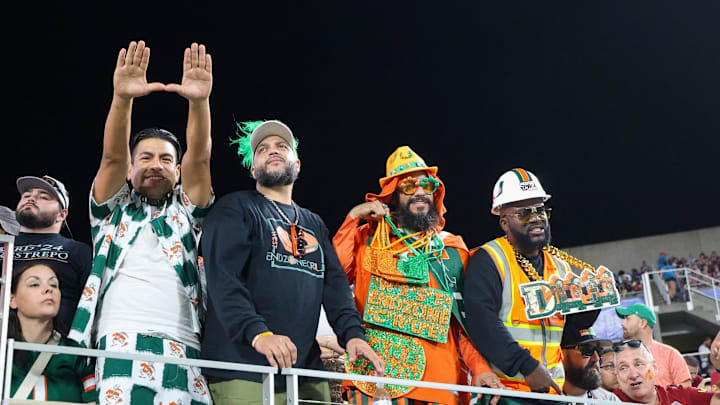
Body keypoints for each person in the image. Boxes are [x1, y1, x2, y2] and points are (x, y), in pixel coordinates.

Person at [69, 40, 214, 405]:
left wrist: (199, 102)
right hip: (120, 337)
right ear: (132, 169)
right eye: (145, 157)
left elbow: (200, 159)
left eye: (166, 159)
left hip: (185, 341)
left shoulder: (187, 212)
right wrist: (122, 99)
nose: (155, 164)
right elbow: (111, 158)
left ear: (177, 172)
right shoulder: (110, 212)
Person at [200, 120, 383, 405]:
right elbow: (224, 280)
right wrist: (258, 333)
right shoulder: (234, 208)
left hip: (306, 373)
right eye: (262, 149)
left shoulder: (314, 223)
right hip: (244, 367)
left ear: (297, 165)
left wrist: (353, 336)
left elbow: (334, 289)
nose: (272, 151)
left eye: (281, 147)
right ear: (253, 169)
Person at [333, 146, 499, 405]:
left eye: (428, 185)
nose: (421, 192)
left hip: (440, 386)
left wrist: (480, 368)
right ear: (392, 195)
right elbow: (333, 275)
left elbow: (463, 322)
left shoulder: (451, 249)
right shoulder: (365, 239)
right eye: (409, 186)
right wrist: (354, 217)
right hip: (375, 382)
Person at [464, 168, 599, 395]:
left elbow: (566, 332)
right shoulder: (489, 259)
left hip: (552, 390)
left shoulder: (560, 266)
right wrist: (526, 366)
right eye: (525, 213)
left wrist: (595, 301)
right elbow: (482, 324)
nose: (536, 218)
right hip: (507, 391)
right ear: (504, 222)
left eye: (540, 210)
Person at [0, 175, 92, 333]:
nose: (31, 198)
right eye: (26, 195)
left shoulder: (77, 250)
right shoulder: (4, 243)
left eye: (43, 197)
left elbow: (91, 306)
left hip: (50, 350)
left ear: (61, 215)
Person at [8, 261, 96, 402]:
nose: (48, 289)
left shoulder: (76, 353)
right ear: (12, 300)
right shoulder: (3, 353)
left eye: (54, 285)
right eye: (34, 284)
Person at [613, 339, 719, 404]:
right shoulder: (608, 401)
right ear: (617, 376)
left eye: (639, 364)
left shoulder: (681, 396)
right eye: (623, 368)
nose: (633, 374)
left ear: (654, 368)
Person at [616, 303, 691, 386]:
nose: (622, 324)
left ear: (643, 323)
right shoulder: (620, 356)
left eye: (628, 318)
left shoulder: (670, 354)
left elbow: (685, 389)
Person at [560, 311, 618, 402]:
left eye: (599, 350)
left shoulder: (609, 400)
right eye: (587, 350)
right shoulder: (544, 399)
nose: (596, 358)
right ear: (561, 354)